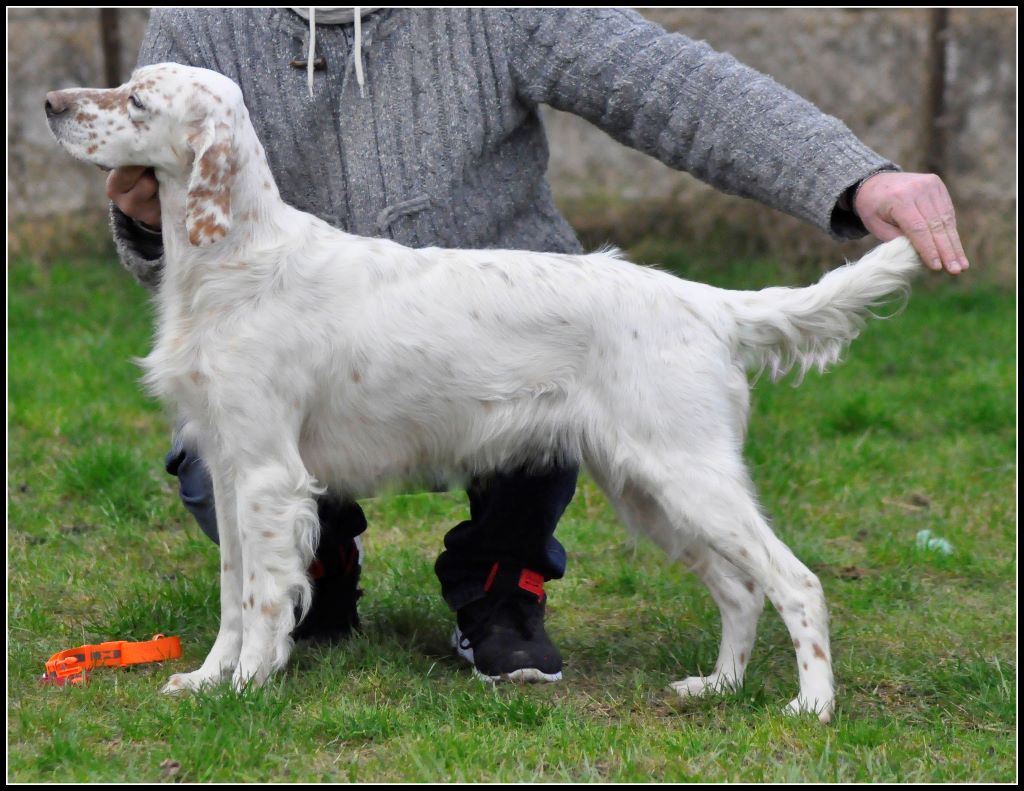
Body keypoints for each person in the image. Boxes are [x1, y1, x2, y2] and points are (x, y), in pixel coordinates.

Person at [107, 7, 967, 684]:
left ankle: (502, 585)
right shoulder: (200, 22)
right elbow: (166, 213)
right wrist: (147, 222)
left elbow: (669, 83)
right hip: (299, 349)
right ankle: (317, 570)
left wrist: (852, 176)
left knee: (597, 441)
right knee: (214, 461)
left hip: (526, 338)